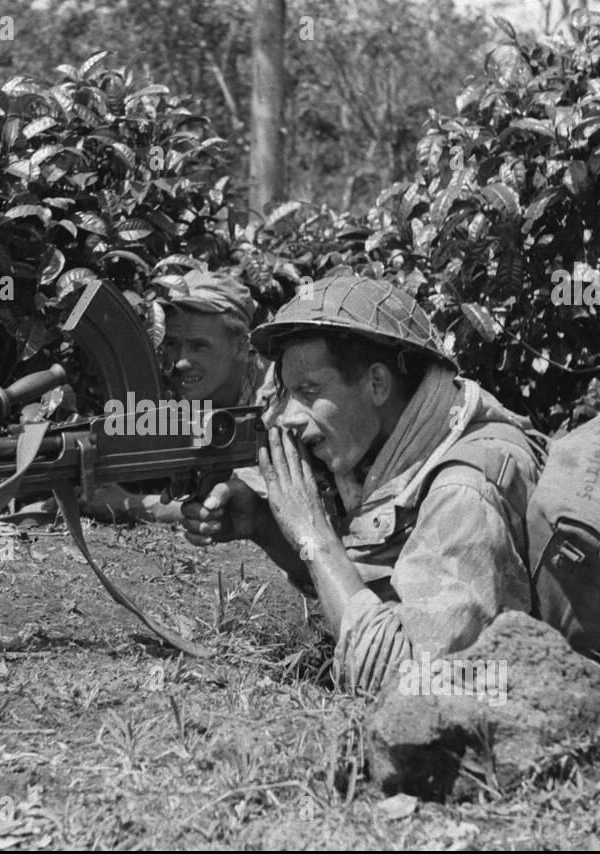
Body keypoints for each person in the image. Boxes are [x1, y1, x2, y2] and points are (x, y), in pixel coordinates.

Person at [180, 274, 546, 697]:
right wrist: (263, 524)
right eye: (284, 394)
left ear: (376, 384)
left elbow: (408, 684)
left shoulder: (463, 493)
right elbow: (371, 587)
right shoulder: (397, 453)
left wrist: (313, 534)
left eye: (309, 391)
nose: (284, 418)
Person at [79, 269, 275, 524]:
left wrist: (133, 505)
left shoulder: (276, 394)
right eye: (172, 343)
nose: (181, 362)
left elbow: (257, 503)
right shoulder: (179, 390)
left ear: (240, 345)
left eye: (199, 346)